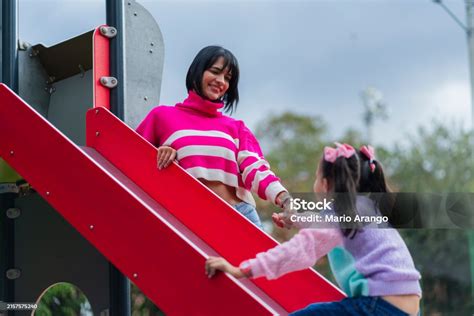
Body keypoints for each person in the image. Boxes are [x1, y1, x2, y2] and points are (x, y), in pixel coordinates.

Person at [205, 143, 421, 315]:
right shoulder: (365, 207)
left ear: (325, 184)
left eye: (317, 176)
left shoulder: (341, 212)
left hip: (377, 306)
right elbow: (323, 224)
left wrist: (242, 270)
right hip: (409, 307)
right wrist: (296, 220)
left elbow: (300, 249)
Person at [136, 46, 290, 229]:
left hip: (241, 215)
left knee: (274, 258)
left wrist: (286, 201)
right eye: (215, 72)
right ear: (197, 71)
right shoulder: (162, 116)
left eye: (227, 78)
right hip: (191, 217)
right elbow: (133, 160)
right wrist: (157, 153)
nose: (221, 81)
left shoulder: (236, 127)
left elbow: (256, 170)